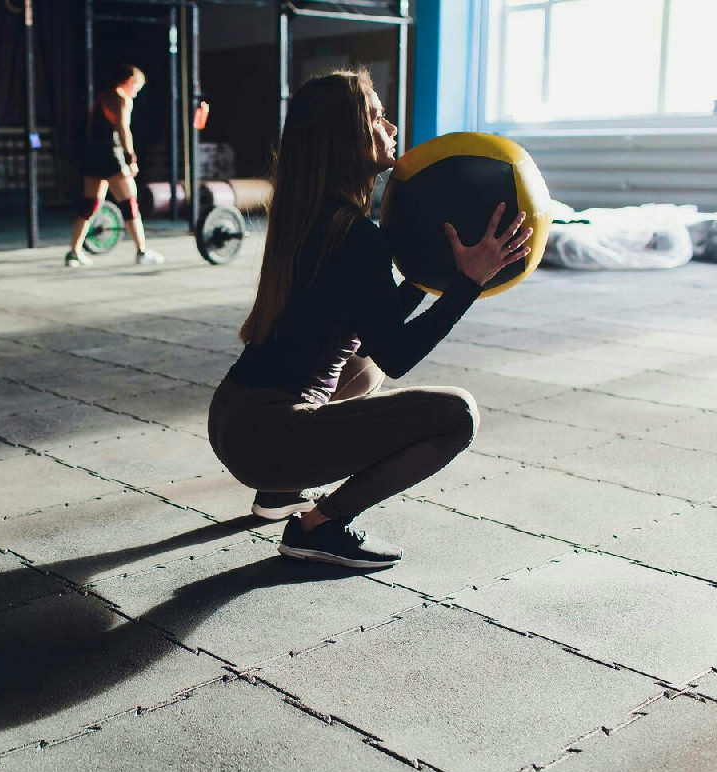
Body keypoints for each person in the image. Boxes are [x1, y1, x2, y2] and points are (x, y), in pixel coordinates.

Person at [207, 67, 533, 569]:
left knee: (364, 368)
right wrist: (468, 282)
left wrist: (431, 275)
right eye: (378, 117)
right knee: (457, 415)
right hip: (266, 437)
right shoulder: (356, 235)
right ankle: (320, 525)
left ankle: (280, 491)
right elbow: (400, 353)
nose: (392, 127)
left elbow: (371, 327)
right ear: (349, 137)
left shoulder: (315, 216)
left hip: (233, 417)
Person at [66, 64, 165, 267]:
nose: (137, 93)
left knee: (90, 204)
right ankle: (142, 251)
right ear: (130, 81)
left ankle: (74, 253)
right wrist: (130, 158)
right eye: (137, 87)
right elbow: (123, 129)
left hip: (92, 154)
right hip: (110, 154)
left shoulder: (103, 97)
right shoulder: (122, 98)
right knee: (130, 202)